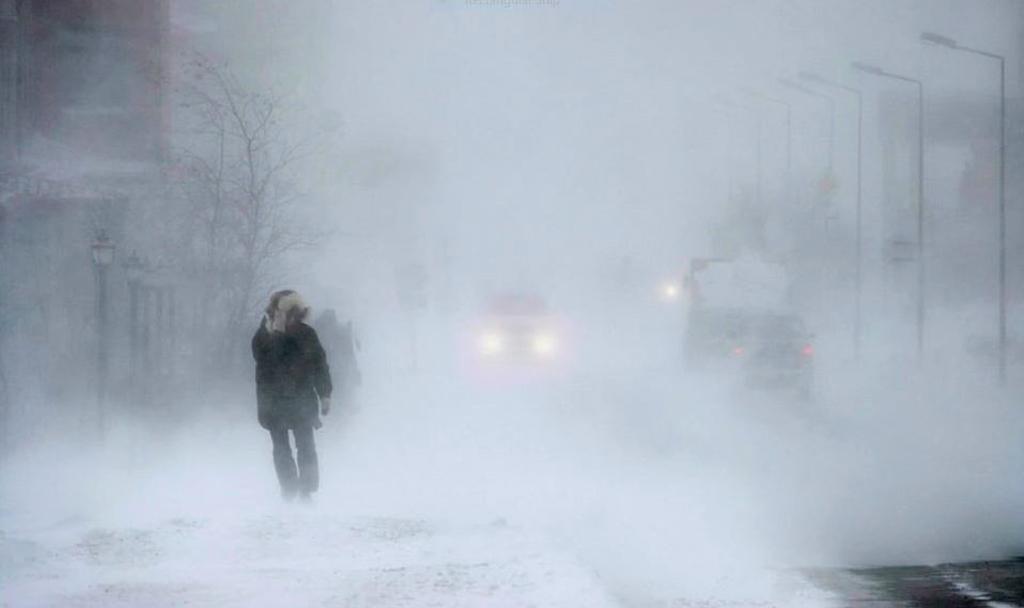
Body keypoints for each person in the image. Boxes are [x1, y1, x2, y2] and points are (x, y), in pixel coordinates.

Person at [252, 290, 332, 501]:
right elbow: (268, 363)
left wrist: (325, 393)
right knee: (281, 448)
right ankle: (289, 489)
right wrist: (277, 334)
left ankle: (306, 491)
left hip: (302, 399)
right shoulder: (263, 337)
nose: (292, 318)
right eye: (286, 313)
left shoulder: (307, 334)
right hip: (273, 401)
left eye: (295, 313)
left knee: (306, 446)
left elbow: (319, 365)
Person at [313, 308, 361, 410]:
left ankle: (343, 411)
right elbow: (349, 354)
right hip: (332, 371)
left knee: (339, 393)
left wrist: (355, 371)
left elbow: (349, 354)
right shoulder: (336, 333)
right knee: (338, 393)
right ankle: (342, 411)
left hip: (335, 371)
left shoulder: (336, 333)